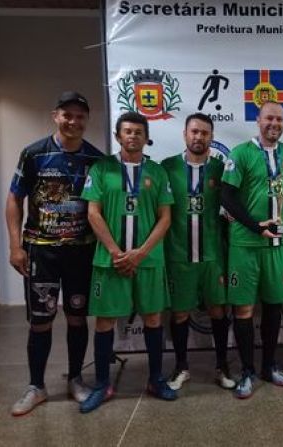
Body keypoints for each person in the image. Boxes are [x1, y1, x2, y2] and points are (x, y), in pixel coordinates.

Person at [6, 92, 103, 416]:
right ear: (55, 116)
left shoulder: (95, 159)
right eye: (68, 115)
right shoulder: (34, 154)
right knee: (41, 322)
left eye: (80, 116)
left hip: (80, 252)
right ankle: (37, 386)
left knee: (77, 316)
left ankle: (76, 379)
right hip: (41, 253)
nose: (74, 121)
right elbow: (13, 200)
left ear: (86, 120)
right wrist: (15, 246)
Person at [79, 112, 177, 412]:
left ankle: (156, 379)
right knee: (105, 321)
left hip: (148, 260)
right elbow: (93, 213)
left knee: (153, 319)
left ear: (146, 137)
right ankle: (102, 384)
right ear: (118, 135)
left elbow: (165, 218)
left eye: (138, 131)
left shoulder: (158, 172)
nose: (132, 136)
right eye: (127, 131)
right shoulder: (101, 168)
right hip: (110, 261)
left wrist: (140, 253)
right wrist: (115, 251)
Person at [220, 101, 283, 398]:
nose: (274, 123)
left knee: (275, 305)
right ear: (258, 120)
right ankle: (247, 370)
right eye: (268, 118)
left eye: (279, 119)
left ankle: (269, 366)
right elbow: (226, 197)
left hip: (277, 245)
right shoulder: (240, 154)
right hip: (246, 244)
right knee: (244, 309)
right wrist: (254, 225)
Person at [161, 113, 235, 391]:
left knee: (218, 310)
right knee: (180, 314)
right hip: (180, 255)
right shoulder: (167, 167)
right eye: (194, 132)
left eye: (204, 133)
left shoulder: (220, 169)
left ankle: (222, 365)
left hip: (213, 256)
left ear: (211, 137)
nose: (198, 137)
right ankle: (181, 366)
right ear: (184, 134)